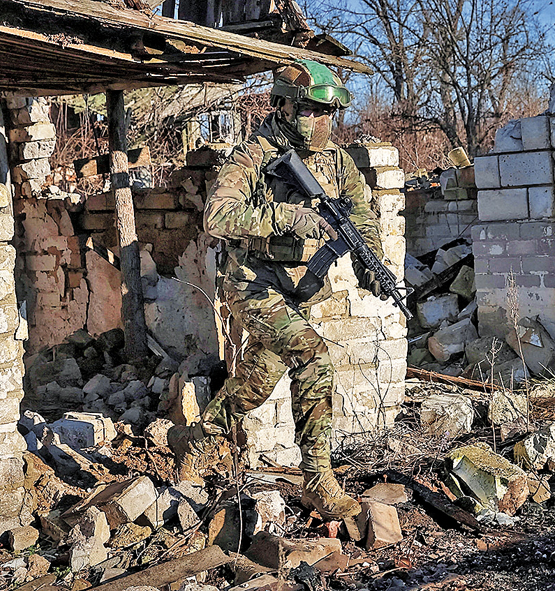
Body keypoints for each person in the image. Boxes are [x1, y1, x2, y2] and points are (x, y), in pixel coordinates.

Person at [169, 59, 385, 521]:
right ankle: (318, 481)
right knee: (312, 354)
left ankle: (201, 437)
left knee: (258, 380)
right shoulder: (254, 154)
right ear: (284, 108)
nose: (322, 123)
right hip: (252, 283)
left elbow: (363, 215)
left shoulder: (337, 161)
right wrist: (289, 217)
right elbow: (218, 216)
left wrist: (372, 260)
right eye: (311, 111)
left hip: (299, 289)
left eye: (328, 114)